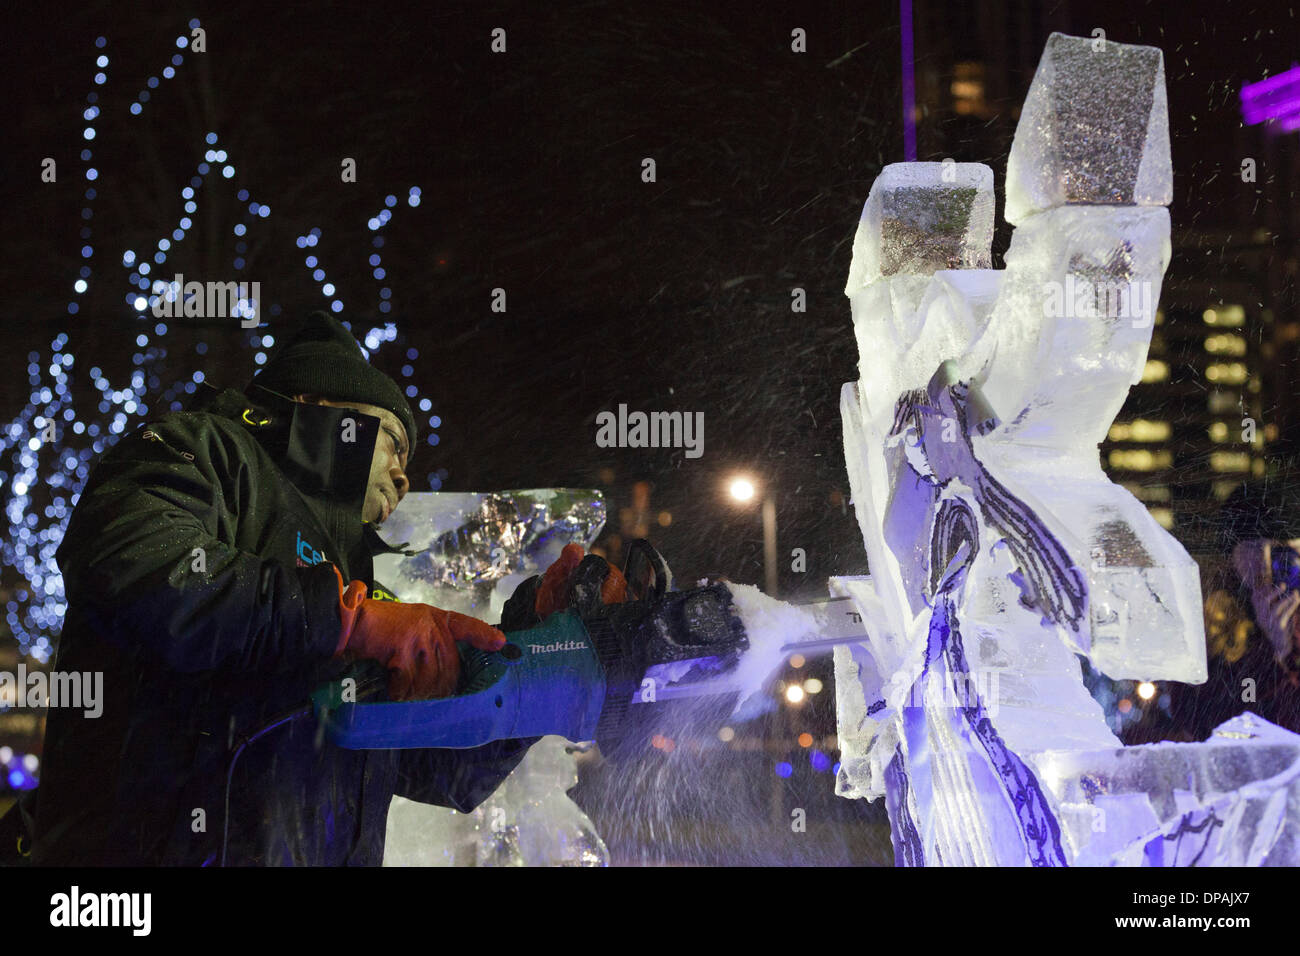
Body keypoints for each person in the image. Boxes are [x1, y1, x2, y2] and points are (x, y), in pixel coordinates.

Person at [21, 310, 623, 866]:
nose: (404, 474)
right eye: (392, 440)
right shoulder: (210, 451)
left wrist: (535, 650)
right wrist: (346, 622)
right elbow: (132, 565)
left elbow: (439, 767)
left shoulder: (354, 572)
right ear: (316, 408)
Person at [1172, 478, 1300, 740]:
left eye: (1285, 554)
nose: (1269, 567)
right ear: (1232, 556)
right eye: (1255, 550)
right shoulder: (1203, 628)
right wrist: (1273, 656)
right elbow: (1214, 730)